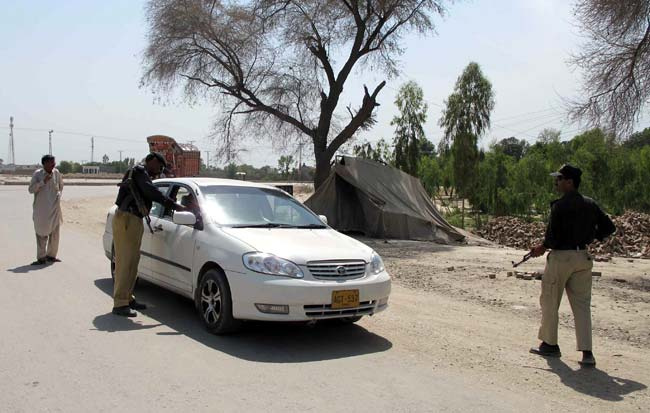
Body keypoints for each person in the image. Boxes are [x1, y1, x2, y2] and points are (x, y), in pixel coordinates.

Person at [529, 164, 616, 367]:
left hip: (561, 258)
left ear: (569, 182)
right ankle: (587, 353)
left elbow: (552, 238)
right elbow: (609, 228)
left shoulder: (560, 206)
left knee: (550, 301)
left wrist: (541, 248)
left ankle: (550, 345)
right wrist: (590, 237)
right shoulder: (590, 204)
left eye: (559, 179)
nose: (556, 182)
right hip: (582, 257)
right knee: (582, 307)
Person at [111, 152, 186, 317]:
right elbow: (151, 191)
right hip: (127, 219)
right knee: (125, 262)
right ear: (152, 161)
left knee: (133, 261)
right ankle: (120, 303)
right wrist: (172, 205)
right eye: (159, 167)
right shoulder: (139, 171)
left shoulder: (142, 174)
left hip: (133, 219)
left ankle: (128, 298)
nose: (159, 171)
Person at [28, 154, 63, 265]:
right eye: (51, 162)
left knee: (55, 234)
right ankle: (41, 258)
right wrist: (43, 182)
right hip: (41, 210)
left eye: (54, 162)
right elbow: (31, 189)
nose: (54, 164)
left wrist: (58, 195)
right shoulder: (38, 174)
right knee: (41, 234)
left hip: (54, 209)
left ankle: (51, 256)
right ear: (44, 164)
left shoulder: (56, 173)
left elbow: (61, 186)